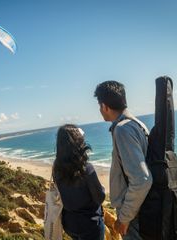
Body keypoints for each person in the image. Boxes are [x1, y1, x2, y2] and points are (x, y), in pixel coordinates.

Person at [94, 81, 153, 239]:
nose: (100, 110)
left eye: (100, 106)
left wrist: (125, 217)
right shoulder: (138, 124)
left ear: (105, 106)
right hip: (143, 208)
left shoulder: (122, 129)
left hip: (134, 215)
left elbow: (142, 179)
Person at [53, 124, 105, 240]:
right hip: (90, 225)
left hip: (70, 224)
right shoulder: (86, 169)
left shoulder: (57, 168)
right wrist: (102, 188)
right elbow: (99, 198)